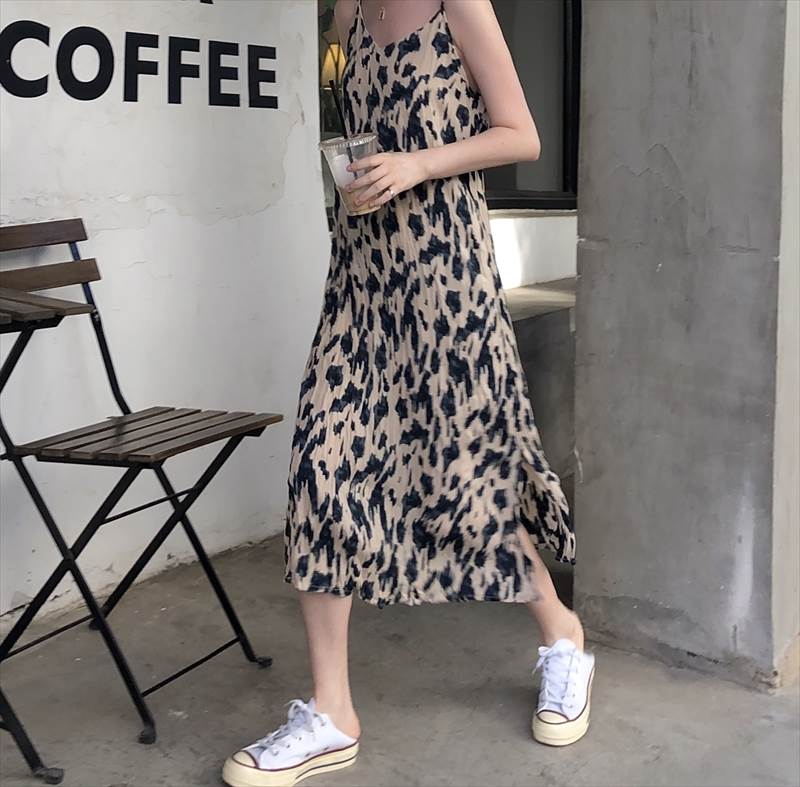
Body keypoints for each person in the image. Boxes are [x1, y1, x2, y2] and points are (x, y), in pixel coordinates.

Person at [223, 1, 593, 785]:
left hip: (447, 278)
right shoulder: (349, 17)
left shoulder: (459, 5)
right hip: (362, 279)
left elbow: (522, 135)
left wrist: (416, 164)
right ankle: (332, 712)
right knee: (321, 467)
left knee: (470, 479)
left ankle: (562, 634)